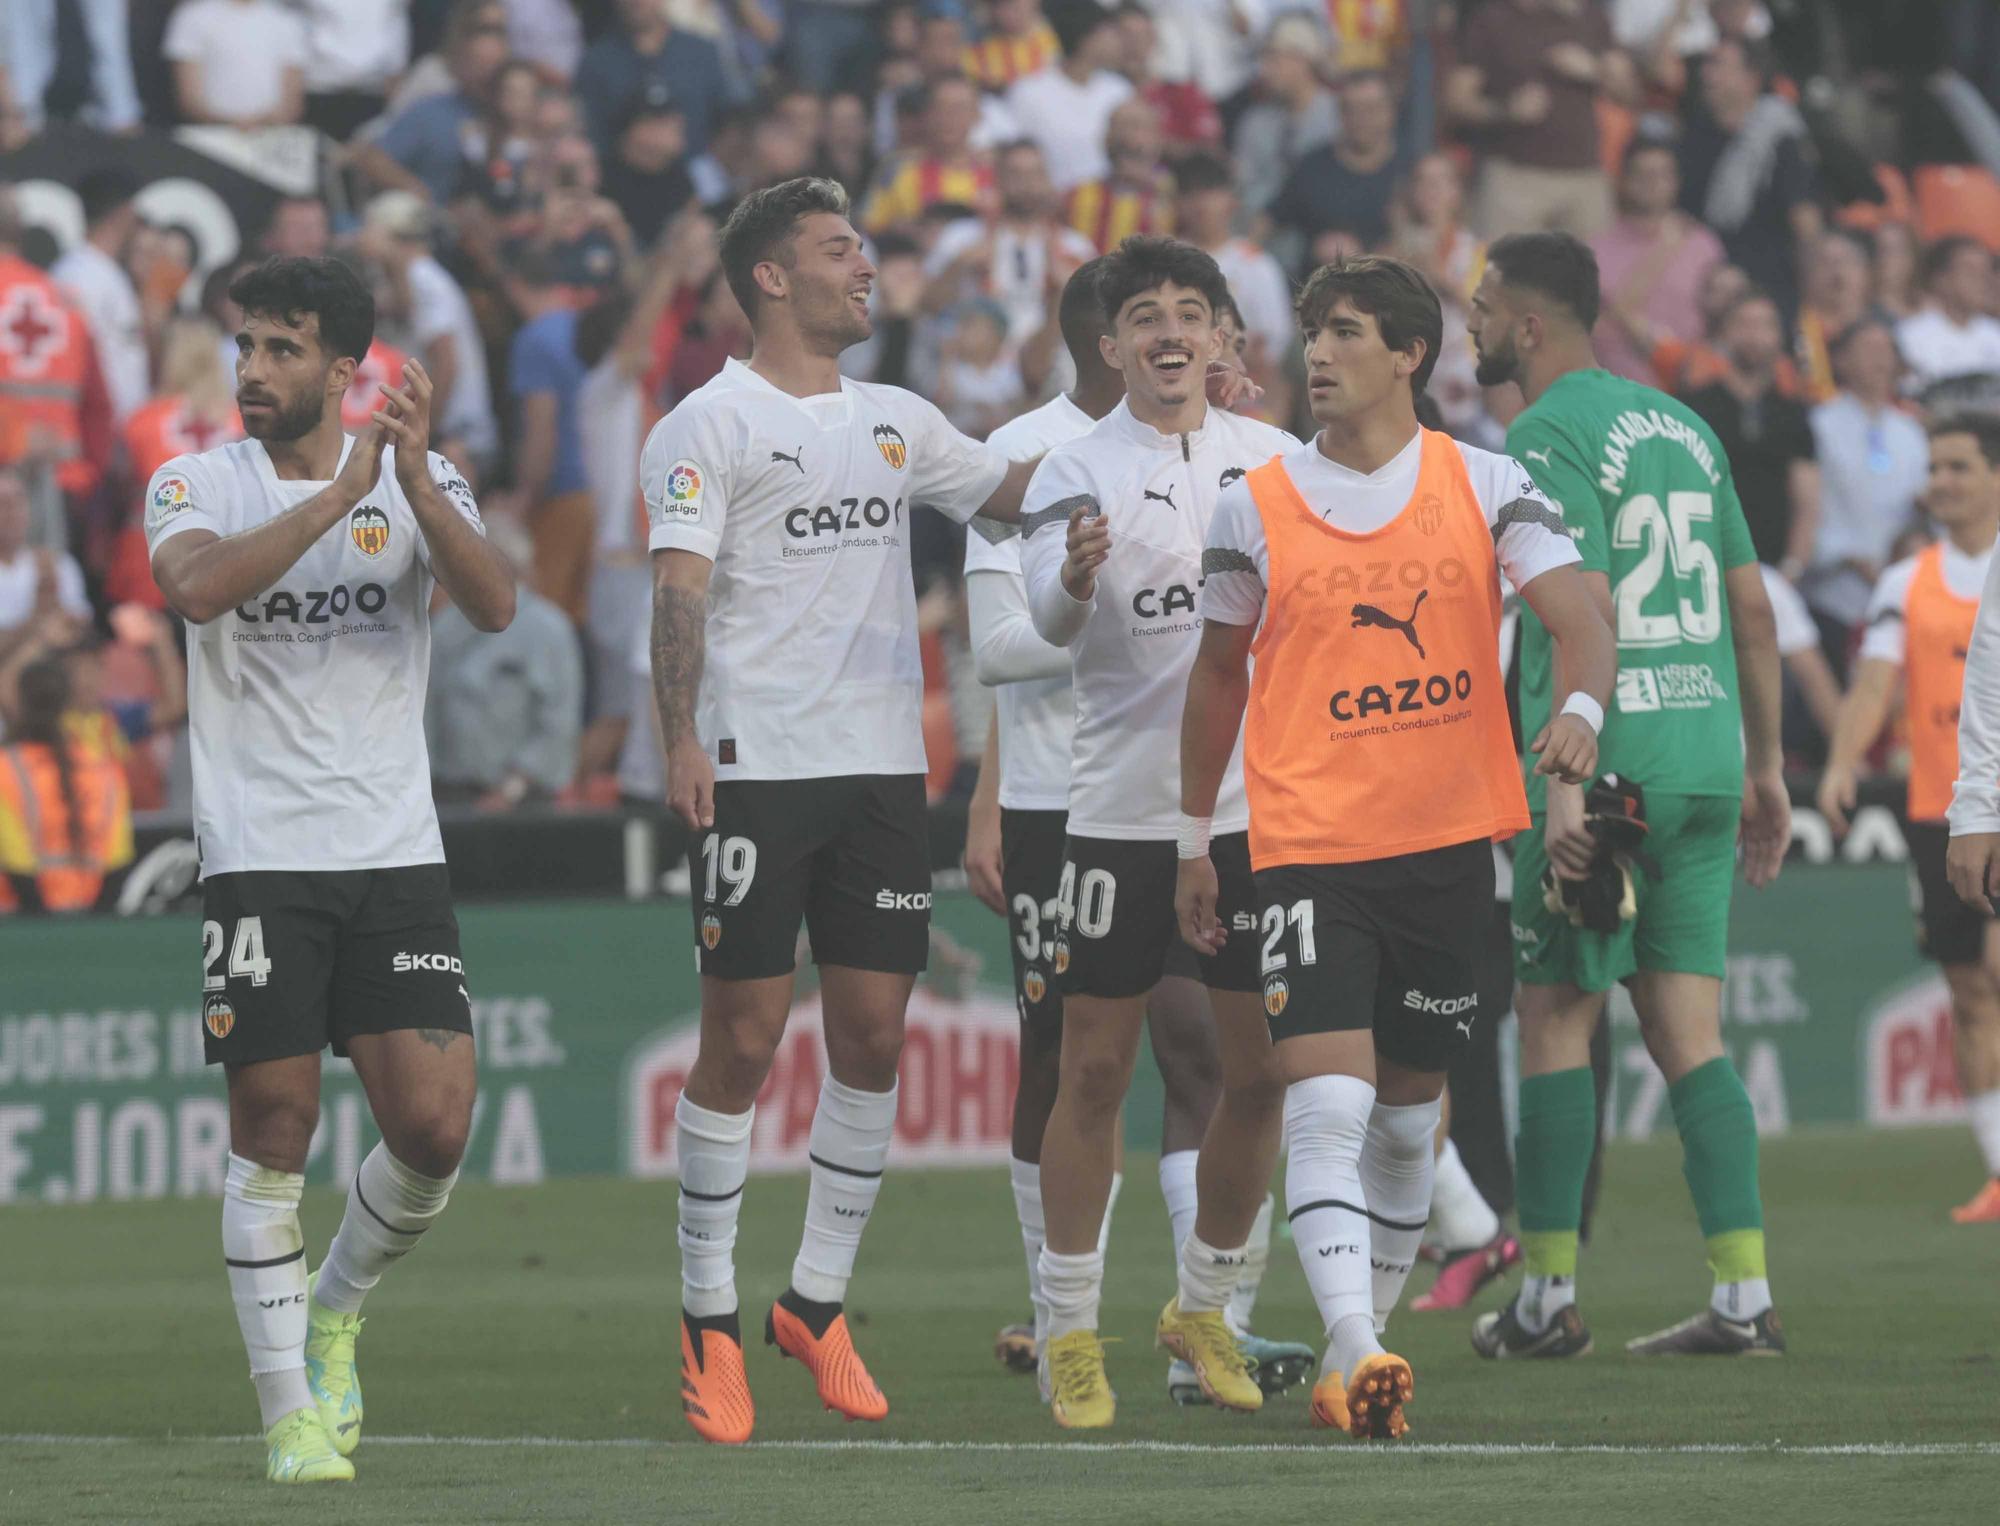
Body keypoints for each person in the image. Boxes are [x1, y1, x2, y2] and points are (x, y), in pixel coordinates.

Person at [639, 176, 1045, 1446]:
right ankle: (707, 1317)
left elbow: (1012, 493)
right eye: (837, 248)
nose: (864, 267)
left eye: (863, 246)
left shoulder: (895, 419)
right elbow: (680, 588)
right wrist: (678, 735)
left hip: (879, 768)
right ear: (769, 275)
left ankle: (813, 1302)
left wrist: (1155, 433)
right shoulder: (705, 424)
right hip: (758, 761)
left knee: (872, 1034)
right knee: (746, 1040)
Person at [1179, 253, 1609, 1437]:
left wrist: (1578, 710)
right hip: (1305, 841)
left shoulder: (1486, 481)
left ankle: (1339, 1358)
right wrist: (1188, 835)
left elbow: (1579, 613)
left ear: (1409, 354)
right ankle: (1362, 1343)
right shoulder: (1249, 503)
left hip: (1442, 845)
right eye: (1311, 331)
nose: (1316, 352)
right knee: (1324, 1100)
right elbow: (1215, 678)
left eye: (1346, 331)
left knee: (1412, 1112)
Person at [144, 255, 515, 1483]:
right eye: (247, 346)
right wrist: (337, 493)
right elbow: (196, 588)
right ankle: (289, 1413)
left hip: (394, 847)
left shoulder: (415, 479)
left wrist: (406, 481)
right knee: (276, 1128)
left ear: (344, 369)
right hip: (259, 855)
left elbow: (496, 602)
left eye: (283, 349)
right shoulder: (196, 480)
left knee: (434, 1124)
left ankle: (336, 1304)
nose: (253, 369)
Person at [960, 256, 1310, 1407]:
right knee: (1094, 1065)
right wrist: (1066, 579)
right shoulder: (1073, 465)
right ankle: (1067, 1330)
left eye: (1188, 316)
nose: (1168, 334)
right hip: (1110, 809)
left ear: (1221, 339)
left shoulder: (1272, 460)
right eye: (1143, 318)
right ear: (1108, 347)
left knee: (1258, 1075)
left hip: (1251, 810)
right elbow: (1047, 628)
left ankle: (1200, 1308)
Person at [1465, 231, 1791, 1359]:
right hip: (1703, 757)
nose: (1467, 324)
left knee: (1554, 1018)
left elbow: (1580, 606)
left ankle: (1545, 1297)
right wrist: (1765, 768)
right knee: (1687, 1032)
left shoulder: (1542, 431)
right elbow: (1752, 608)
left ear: (1526, 324)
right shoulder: (1685, 425)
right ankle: (1742, 1293)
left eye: (1478, 306)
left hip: (1603, 765)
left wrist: (1562, 782)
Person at [1829, 415, 2000, 1226]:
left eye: (1959, 466)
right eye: (1934, 467)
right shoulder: (1909, 581)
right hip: (1942, 811)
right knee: (1969, 990)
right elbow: (1875, 686)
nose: (1942, 482)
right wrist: (1839, 762)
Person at [1800, 316, 1929, 671]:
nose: (1880, 359)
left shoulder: (1910, 431)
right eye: (1869, 348)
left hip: (1900, 590)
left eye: (1887, 349)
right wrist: (1849, 557)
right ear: (1841, 360)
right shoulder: (1818, 425)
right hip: (1834, 593)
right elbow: (1809, 507)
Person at [1448, 0, 1628, 240]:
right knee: (1507, 275)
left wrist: (1594, 70)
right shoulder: (1492, 19)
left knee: (1589, 274)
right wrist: (1506, 110)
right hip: (1513, 176)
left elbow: (1630, 93)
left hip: (1584, 176)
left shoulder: (1588, 15)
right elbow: (1456, 100)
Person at [1678, 290, 1820, 574]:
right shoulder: (1693, 407)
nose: (1753, 335)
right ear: (1725, 333)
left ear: (1779, 336)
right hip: (1705, 566)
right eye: (1744, 324)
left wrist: (1792, 569)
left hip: (1775, 570)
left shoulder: (1793, 414)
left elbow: (1807, 503)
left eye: (1764, 325)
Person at [0, 655, 133, 914]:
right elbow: (117, 862)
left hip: (15, 926)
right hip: (87, 920)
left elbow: (17, 865)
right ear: (67, 703)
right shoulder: (105, 769)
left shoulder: (7, 768)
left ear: (19, 703)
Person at [1589, 137, 1726, 388]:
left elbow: (1722, 320)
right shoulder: (1595, 249)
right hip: (1616, 389)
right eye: (1643, 175)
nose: (1653, 184)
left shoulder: (1703, 244)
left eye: (1663, 175)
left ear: (1676, 182)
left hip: (1689, 390)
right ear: (1624, 181)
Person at [51, 168, 147, 425]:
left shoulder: (106, 271)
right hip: (100, 430)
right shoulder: (80, 275)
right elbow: (77, 360)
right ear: (123, 213)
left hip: (120, 429)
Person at [1005, 0, 1133, 193]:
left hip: (1107, 209)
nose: (1119, 42)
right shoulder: (1028, 91)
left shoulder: (1120, 91)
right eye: (1111, 32)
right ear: (1087, 38)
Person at [163, 0, 308, 127]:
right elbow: (189, 98)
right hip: (209, 135)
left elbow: (292, 100)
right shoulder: (192, 16)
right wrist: (231, 123)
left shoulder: (286, 20)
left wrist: (262, 122)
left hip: (274, 135)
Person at [1896, 237, 2000, 397]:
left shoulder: (1995, 333)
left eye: (1986, 271)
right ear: (1941, 279)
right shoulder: (1911, 335)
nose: (1982, 279)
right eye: (1970, 270)